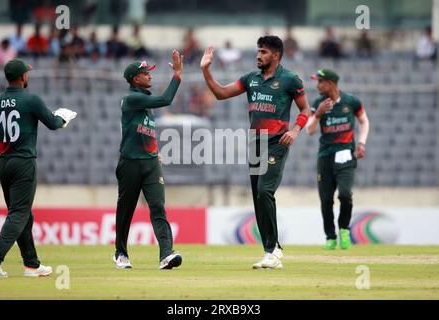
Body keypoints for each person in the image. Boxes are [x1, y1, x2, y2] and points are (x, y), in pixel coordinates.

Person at [200, 36, 311, 269]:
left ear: (276, 55)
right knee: (258, 199)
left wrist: (296, 130)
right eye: (257, 51)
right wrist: (206, 70)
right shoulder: (250, 79)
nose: (258, 55)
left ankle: (273, 251)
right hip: (256, 143)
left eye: (263, 52)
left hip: (277, 142)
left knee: (264, 191)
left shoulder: (290, 80)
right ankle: (271, 251)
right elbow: (220, 94)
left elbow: (305, 109)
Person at [0, 59, 77, 278]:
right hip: (23, 163)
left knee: (22, 214)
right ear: (23, 77)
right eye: (27, 73)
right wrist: (64, 117)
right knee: (19, 213)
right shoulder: (31, 100)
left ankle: (32, 264)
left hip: (4, 163)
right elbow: (53, 124)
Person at [113, 51, 184, 270]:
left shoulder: (143, 102)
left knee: (158, 207)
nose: (150, 76)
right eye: (146, 73)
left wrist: (155, 150)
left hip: (151, 163)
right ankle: (120, 253)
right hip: (131, 163)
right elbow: (166, 99)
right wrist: (177, 75)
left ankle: (166, 254)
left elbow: (145, 131)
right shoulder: (132, 98)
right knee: (126, 210)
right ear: (136, 79)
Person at [306, 69, 369, 250]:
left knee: (345, 194)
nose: (317, 85)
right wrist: (317, 114)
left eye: (320, 82)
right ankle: (330, 236)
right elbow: (309, 131)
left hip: (346, 155)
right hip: (325, 156)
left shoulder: (351, 102)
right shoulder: (318, 103)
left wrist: (362, 142)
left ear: (331, 83)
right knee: (326, 199)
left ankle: (343, 229)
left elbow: (364, 121)